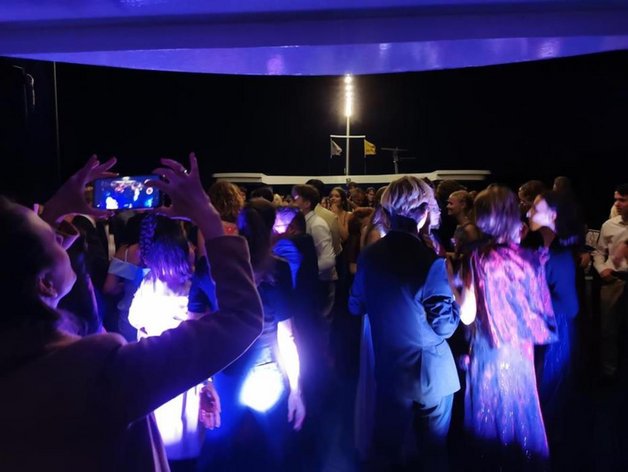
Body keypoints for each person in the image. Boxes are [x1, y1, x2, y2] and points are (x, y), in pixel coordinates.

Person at [0, 154, 263, 471]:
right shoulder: (100, 373)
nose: (62, 235)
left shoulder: (17, 360)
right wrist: (209, 219)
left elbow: (102, 288)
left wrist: (55, 211)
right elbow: (241, 318)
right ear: (44, 283)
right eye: (52, 236)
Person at [349, 176, 460, 470]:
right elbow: (445, 327)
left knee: (388, 453)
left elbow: (355, 305)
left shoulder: (369, 256)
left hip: (389, 370)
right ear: (424, 212)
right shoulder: (431, 261)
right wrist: (457, 295)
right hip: (430, 375)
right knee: (432, 454)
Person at [453, 185, 556, 468]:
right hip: (521, 349)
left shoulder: (478, 258)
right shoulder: (530, 258)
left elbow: (466, 315)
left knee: (490, 412)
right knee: (522, 406)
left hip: (489, 348)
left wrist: (450, 281)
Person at [527, 191, 580, 444]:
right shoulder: (543, 248)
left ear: (553, 215)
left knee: (547, 392)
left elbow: (570, 307)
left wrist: (531, 304)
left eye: (535, 208)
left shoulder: (559, 255)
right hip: (544, 328)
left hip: (555, 332)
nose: (528, 212)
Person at [592, 183, 628, 380]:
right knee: (608, 330)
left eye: (623, 200)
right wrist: (601, 268)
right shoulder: (609, 225)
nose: (617, 204)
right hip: (614, 281)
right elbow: (599, 252)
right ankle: (609, 372)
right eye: (616, 200)